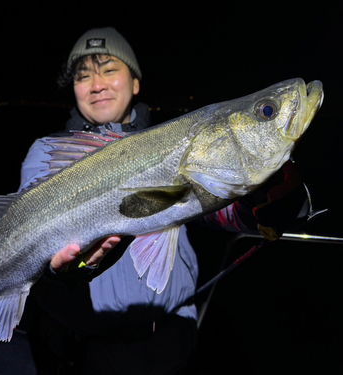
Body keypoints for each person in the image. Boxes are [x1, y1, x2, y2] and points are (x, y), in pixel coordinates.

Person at [18, 27, 309, 375]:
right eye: (83, 76)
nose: (96, 85)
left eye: (109, 70)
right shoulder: (50, 154)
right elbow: (29, 245)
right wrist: (69, 270)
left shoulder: (183, 142)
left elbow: (232, 214)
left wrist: (275, 201)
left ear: (135, 82)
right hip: (80, 353)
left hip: (169, 344)